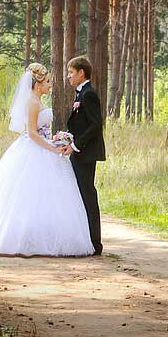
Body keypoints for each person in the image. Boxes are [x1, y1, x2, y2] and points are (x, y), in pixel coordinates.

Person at [0, 62, 95, 257]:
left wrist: (56, 139)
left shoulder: (39, 101)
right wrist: (52, 148)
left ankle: (43, 234)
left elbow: (41, 130)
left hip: (44, 146)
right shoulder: (33, 102)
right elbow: (32, 133)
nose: (50, 85)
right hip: (34, 149)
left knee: (47, 197)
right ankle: (17, 238)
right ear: (38, 85)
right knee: (26, 193)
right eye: (47, 82)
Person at [65, 55, 105, 255]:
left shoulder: (88, 94)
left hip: (85, 154)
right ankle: (86, 240)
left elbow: (96, 126)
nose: (68, 76)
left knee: (88, 196)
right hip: (79, 152)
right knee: (79, 196)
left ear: (81, 73)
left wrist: (75, 145)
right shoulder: (80, 94)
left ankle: (95, 244)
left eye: (71, 72)